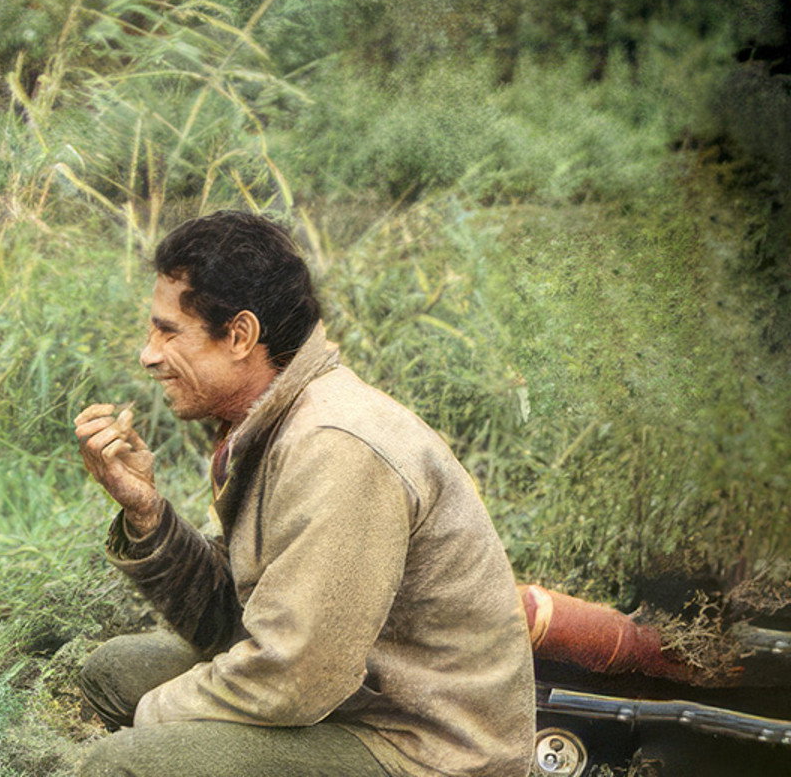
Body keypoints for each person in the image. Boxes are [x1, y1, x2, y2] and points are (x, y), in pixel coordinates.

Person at [71, 211, 533, 776]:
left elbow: (295, 677)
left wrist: (155, 721)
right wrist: (146, 512)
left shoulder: (335, 446)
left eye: (169, 332)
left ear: (239, 336)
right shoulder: (273, 420)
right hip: (354, 696)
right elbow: (237, 620)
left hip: (426, 748)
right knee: (117, 673)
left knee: (124, 764)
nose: (148, 354)